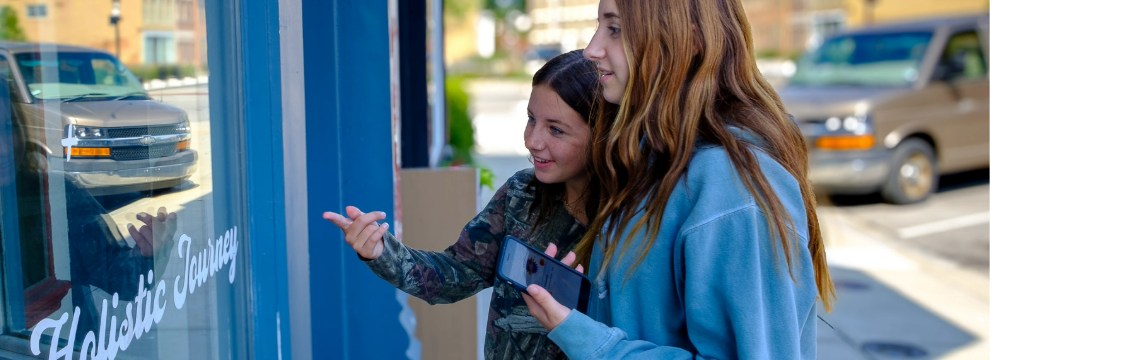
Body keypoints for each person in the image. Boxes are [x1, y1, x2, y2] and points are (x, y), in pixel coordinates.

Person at [517, 0, 837, 359]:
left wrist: (592, 344)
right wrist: (580, 313)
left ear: (689, 40)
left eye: (615, 29)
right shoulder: (654, 162)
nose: (592, 50)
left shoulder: (734, 190)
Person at [321, 50, 614, 360]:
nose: (532, 140)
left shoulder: (634, 222)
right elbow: (457, 273)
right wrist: (381, 252)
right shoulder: (521, 193)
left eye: (555, 129)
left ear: (604, 135)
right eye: (531, 119)